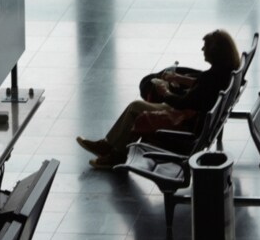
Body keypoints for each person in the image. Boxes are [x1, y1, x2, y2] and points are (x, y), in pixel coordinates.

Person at [76, 29, 241, 170]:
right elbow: (202, 85)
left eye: (205, 46)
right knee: (138, 107)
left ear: (215, 52)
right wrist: (180, 79)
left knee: (135, 107)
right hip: (195, 119)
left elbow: (182, 102)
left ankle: (114, 153)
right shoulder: (224, 73)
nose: (202, 49)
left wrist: (165, 91)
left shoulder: (210, 78)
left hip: (183, 122)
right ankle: (110, 148)